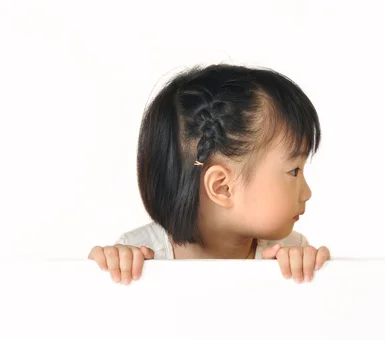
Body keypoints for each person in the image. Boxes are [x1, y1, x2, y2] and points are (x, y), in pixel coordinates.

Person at [88, 64, 330, 285]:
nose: (307, 193)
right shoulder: (138, 257)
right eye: (294, 171)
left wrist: (308, 274)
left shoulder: (289, 254)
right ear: (222, 187)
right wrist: (106, 268)